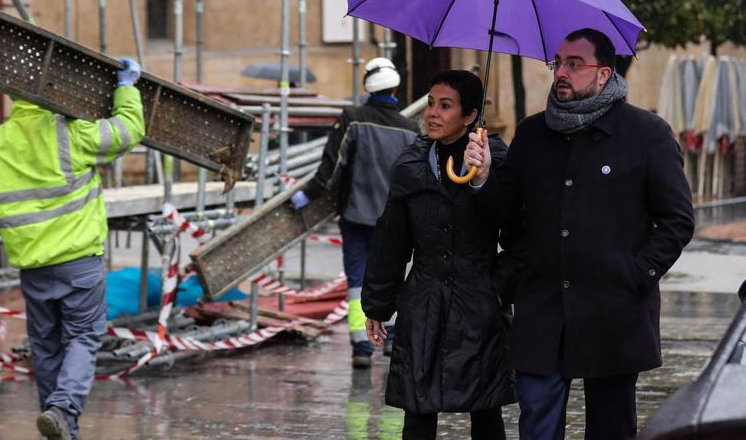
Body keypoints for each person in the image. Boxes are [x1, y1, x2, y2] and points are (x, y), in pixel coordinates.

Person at [497, 29, 695, 440]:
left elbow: (677, 220)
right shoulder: (532, 135)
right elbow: (506, 214)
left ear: (603, 74)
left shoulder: (647, 134)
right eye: (558, 63)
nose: (561, 73)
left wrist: (637, 273)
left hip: (615, 312)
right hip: (542, 309)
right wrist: (482, 180)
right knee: (536, 425)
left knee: (612, 428)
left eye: (574, 64)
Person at [0, 59, 146, 440]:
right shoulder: (70, 132)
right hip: (79, 261)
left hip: (33, 267)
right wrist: (126, 87)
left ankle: (58, 422)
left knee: (47, 344)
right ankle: (64, 409)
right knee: (83, 337)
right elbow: (128, 131)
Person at [363, 70, 518, 439]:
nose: (432, 113)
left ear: (469, 116)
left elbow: (518, 233)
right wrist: (378, 305)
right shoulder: (411, 164)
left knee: (485, 410)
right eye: (431, 103)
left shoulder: (496, 158)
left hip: (479, 303)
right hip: (424, 303)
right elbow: (391, 240)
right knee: (418, 409)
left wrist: (498, 290)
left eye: (445, 106)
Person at [290, 57, 419, 369]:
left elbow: (332, 166)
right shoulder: (411, 130)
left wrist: (307, 194)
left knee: (358, 281)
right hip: (394, 223)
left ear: (367, 86)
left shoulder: (353, 119)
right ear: (396, 88)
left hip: (356, 217)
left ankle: (362, 345)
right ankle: (389, 338)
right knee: (391, 278)